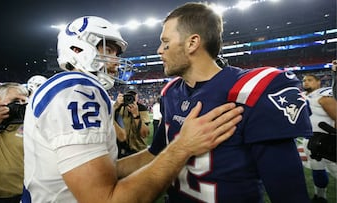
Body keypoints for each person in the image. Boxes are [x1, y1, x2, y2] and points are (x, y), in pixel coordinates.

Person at [21, 15, 243, 203]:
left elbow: (104, 170)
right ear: (79, 48)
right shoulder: (78, 89)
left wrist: (160, 151)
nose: (116, 62)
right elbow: (104, 200)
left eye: (117, 54)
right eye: (109, 50)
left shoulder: (66, 87)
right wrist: (182, 147)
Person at [118, 3, 313, 203]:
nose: (159, 50)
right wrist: (105, 169)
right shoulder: (171, 92)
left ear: (192, 43)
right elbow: (155, 154)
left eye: (165, 42)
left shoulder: (249, 92)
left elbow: (290, 195)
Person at [300, 73, 337, 203]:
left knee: (334, 168)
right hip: (311, 141)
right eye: (304, 80)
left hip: (327, 141)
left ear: (318, 82)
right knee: (317, 170)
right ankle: (320, 197)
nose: (306, 82)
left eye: (309, 80)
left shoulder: (324, 96)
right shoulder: (305, 97)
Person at [114, 89, 150, 157]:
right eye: (127, 97)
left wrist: (136, 115)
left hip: (138, 150)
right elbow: (110, 121)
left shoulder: (141, 108)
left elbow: (144, 134)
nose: (130, 100)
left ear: (137, 98)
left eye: (132, 97)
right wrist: (116, 105)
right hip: (121, 150)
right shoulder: (119, 108)